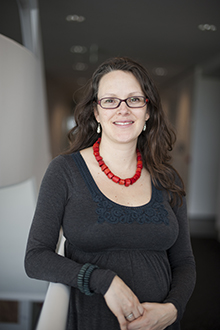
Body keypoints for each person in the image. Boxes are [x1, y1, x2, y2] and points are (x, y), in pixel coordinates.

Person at [25, 57, 196, 330]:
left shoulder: (167, 178)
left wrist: (173, 309)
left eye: (134, 100)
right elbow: (35, 258)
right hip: (92, 321)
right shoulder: (64, 171)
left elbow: (184, 262)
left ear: (148, 110)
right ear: (96, 112)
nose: (123, 110)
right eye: (110, 100)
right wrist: (104, 281)